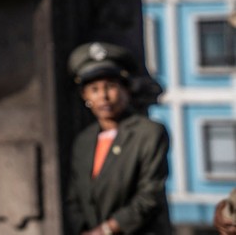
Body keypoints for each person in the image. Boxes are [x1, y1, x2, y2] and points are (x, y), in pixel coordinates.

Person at [64, 41, 172, 235]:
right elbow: (75, 198)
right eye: (94, 89)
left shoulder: (148, 133)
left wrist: (106, 230)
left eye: (111, 86)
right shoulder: (84, 141)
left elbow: (149, 195)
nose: (103, 96)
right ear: (85, 95)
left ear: (126, 89)